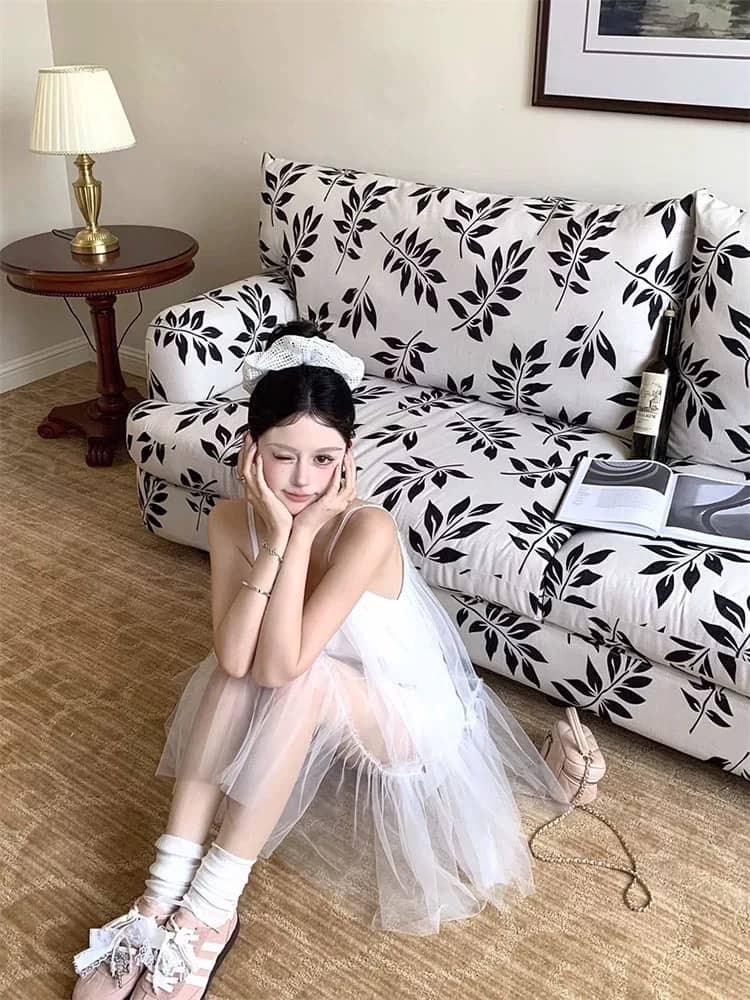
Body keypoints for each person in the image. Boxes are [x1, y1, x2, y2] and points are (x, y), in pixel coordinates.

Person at [71, 321, 569, 1000]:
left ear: (349, 458)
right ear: (250, 450)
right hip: (304, 681)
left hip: (403, 719)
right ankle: (161, 896)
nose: (304, 479)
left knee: (303, 680)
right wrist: (276, 540)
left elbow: (283, 668)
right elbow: (236, 654)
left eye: (325, 458)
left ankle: (212, 908)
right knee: (228, 674)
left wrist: (301, 534)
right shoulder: (230, 521)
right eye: (283, 456)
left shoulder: (368, 530)